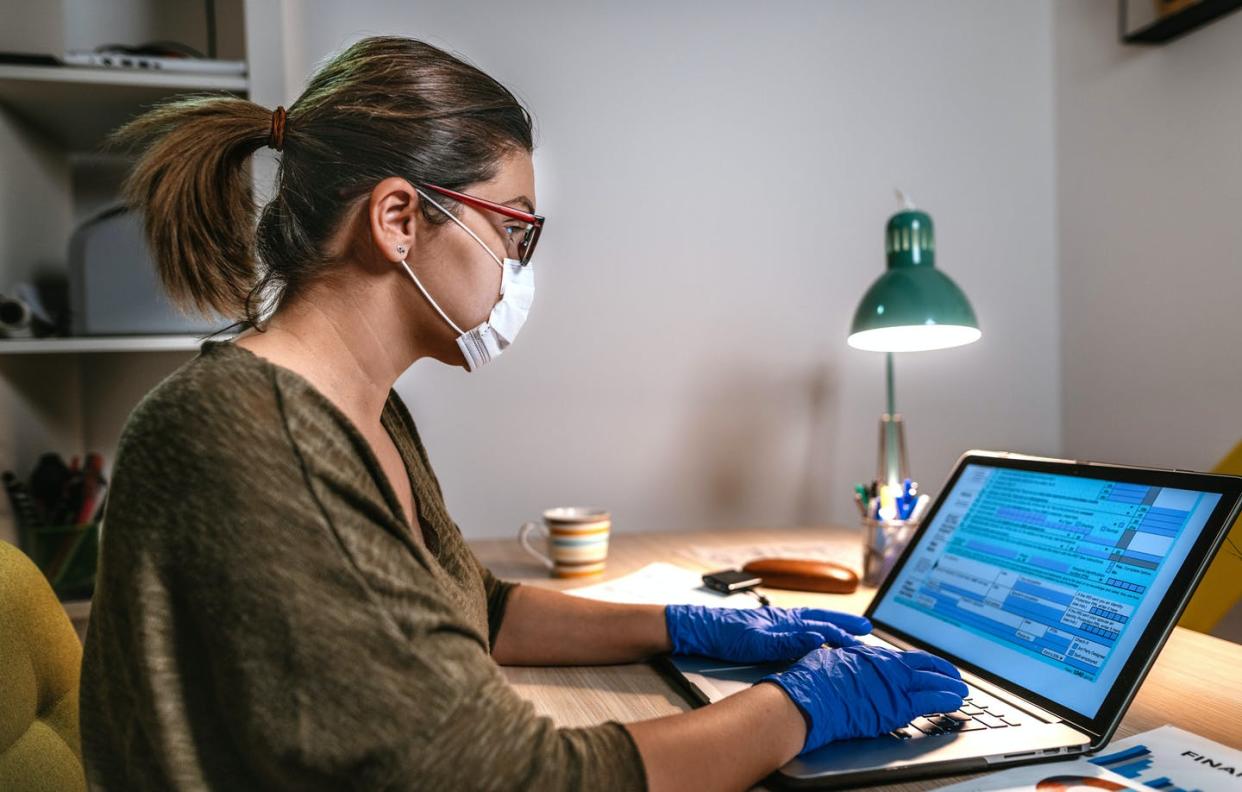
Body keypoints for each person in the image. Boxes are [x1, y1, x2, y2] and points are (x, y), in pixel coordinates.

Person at [79, 36, 966, 791]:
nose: (518, 266)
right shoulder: (248, 438)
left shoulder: (363, 412)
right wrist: (801, 710)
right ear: (397, 218)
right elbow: (518, 778)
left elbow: (481, 610)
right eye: (512, 230)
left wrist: (685, 622)